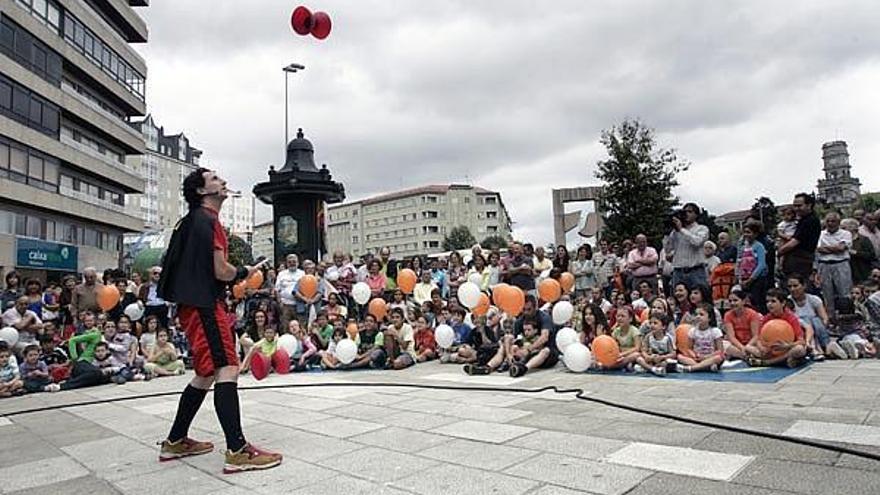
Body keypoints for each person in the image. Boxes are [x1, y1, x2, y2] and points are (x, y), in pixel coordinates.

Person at [156, 168, 281, 472]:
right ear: (201, 191)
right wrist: (244, 272)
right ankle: (238, 451)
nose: (223, 182)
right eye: (214, 179)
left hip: (191, 306)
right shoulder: (210, 221)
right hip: (205, 305)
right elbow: (221, 271)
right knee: (227, 366)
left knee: (206, 372)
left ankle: (175, 441)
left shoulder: (188, 223)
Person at [746, 289, 807, 368]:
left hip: (786, 349)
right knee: (748, 348)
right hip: (771, 351)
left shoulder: (791, 318)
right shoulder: (766, 318)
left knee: (799, 349)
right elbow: (758, 338)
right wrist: (761, 347)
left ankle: (767, 363)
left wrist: (787, 346)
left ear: (783, 303)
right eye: (767, 301)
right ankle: (782, 361)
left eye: (773, 301)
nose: (769, 304)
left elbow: (801, 341)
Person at [663, 203, 710, 290]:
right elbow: (668, 250)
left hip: (695, 271)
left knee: (699, 298)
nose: (686, 214)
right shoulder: (676, 232)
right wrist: (667, 234)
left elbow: (697, 242)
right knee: (678, 299)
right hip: (678, 271)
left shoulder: (702, 228)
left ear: (696, 215)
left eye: (690, 211)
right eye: (685, 212)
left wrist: (681, 229)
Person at [816, 212, 852, 317]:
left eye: (833, 221)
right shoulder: (820, 234)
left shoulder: (846, 234)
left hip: (841, 264)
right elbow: (818, 249)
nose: (830, 223)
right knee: (827, 295)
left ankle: (847, 316)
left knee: (844, 293)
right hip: (824, 265)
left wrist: (827, 248)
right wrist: (834, 248)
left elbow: (841, 248)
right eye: (828, 221)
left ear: (839, 222)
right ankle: (830, 319)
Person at [778, 193, 821, 282]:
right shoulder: (801, 220)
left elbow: (794, 242)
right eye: (795, 206)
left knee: (799, 287)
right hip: (795, 259)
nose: (796, 209)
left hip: (801, 260)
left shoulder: (810, 220)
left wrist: (780, 251)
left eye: (799, 206)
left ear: (809, 205)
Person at [676, 303, 724, 373]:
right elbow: (689, 348)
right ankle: (705, 367)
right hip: (697, 358)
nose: (698, 317)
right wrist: (694, 355)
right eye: (696, 314)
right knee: (680, 357)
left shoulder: (715, 331)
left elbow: (720, 350)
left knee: (719, 357)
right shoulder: (692, 331)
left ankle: (692, 368)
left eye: (701, 314)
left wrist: (706, 357)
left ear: (709, 318)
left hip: (710, 358)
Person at [735, 221, 770, 313]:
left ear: (755, 234)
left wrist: (751, 279)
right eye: (745, 232)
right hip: (744, 279)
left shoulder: (759, 246)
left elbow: (761, 264)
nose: (746, 235)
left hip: (757, 280)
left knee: (757, 302)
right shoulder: (743, 247)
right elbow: (739, 261)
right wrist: (739, 277)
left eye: (749, 232)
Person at [723, 289, 762, 360]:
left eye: (735, 300)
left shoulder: (753, 314)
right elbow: (731, 337)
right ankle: (747, 357)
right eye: (730, 301)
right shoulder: (727, 315)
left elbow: (756, 336)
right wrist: (742, 348)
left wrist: (747, 347)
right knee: (724, 344)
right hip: (737, 345)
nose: (732, 303)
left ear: (743, 301)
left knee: (760, 346)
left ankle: (743, 355)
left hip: (751, 344)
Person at [842, 218, 877, 285]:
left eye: (844, 228)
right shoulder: (842, 241)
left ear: (852, 228)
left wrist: (856, 252)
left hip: (862, 272)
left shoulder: (863, 240)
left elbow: (871, 255)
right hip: (848, 273)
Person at [275, 254, 304, 331]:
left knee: (300, 327)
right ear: (286, 263)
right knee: (285, 327)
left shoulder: (303, 274)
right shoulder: (281, 274)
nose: (292, 263)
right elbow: (277, 290)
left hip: (299, 305)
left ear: (298, 262)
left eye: (294, 261)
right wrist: (280, 302)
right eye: (289, 262)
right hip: (285, 305)